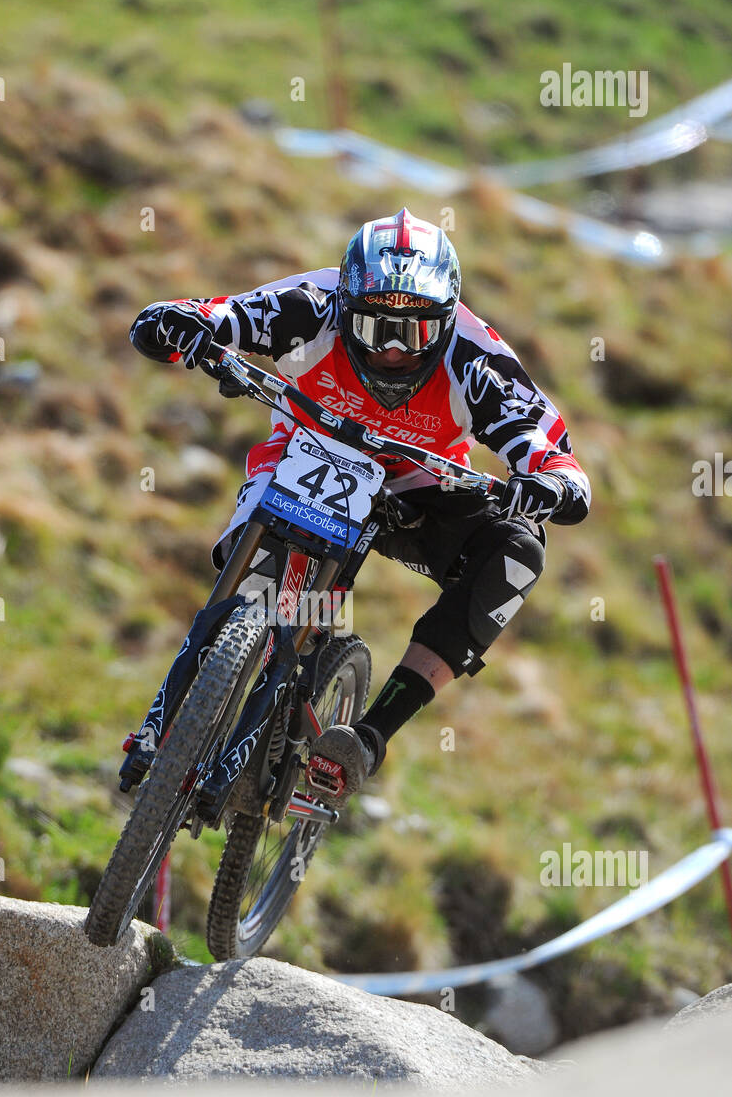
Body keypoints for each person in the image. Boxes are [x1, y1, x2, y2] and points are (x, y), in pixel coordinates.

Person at [129, 208, 590, 802]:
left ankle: (369, 737)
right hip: (308, 449)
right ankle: (213, 682)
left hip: (415, 487)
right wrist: (181, 327)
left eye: (414, 333)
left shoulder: (478, 361)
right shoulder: (310, 305)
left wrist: (548, 484)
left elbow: (550, 451)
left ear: (447, 324)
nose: (394, 352)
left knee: (518, 552)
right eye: (375, 330)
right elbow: (222, 315)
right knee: (257, 586)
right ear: (345, 309)